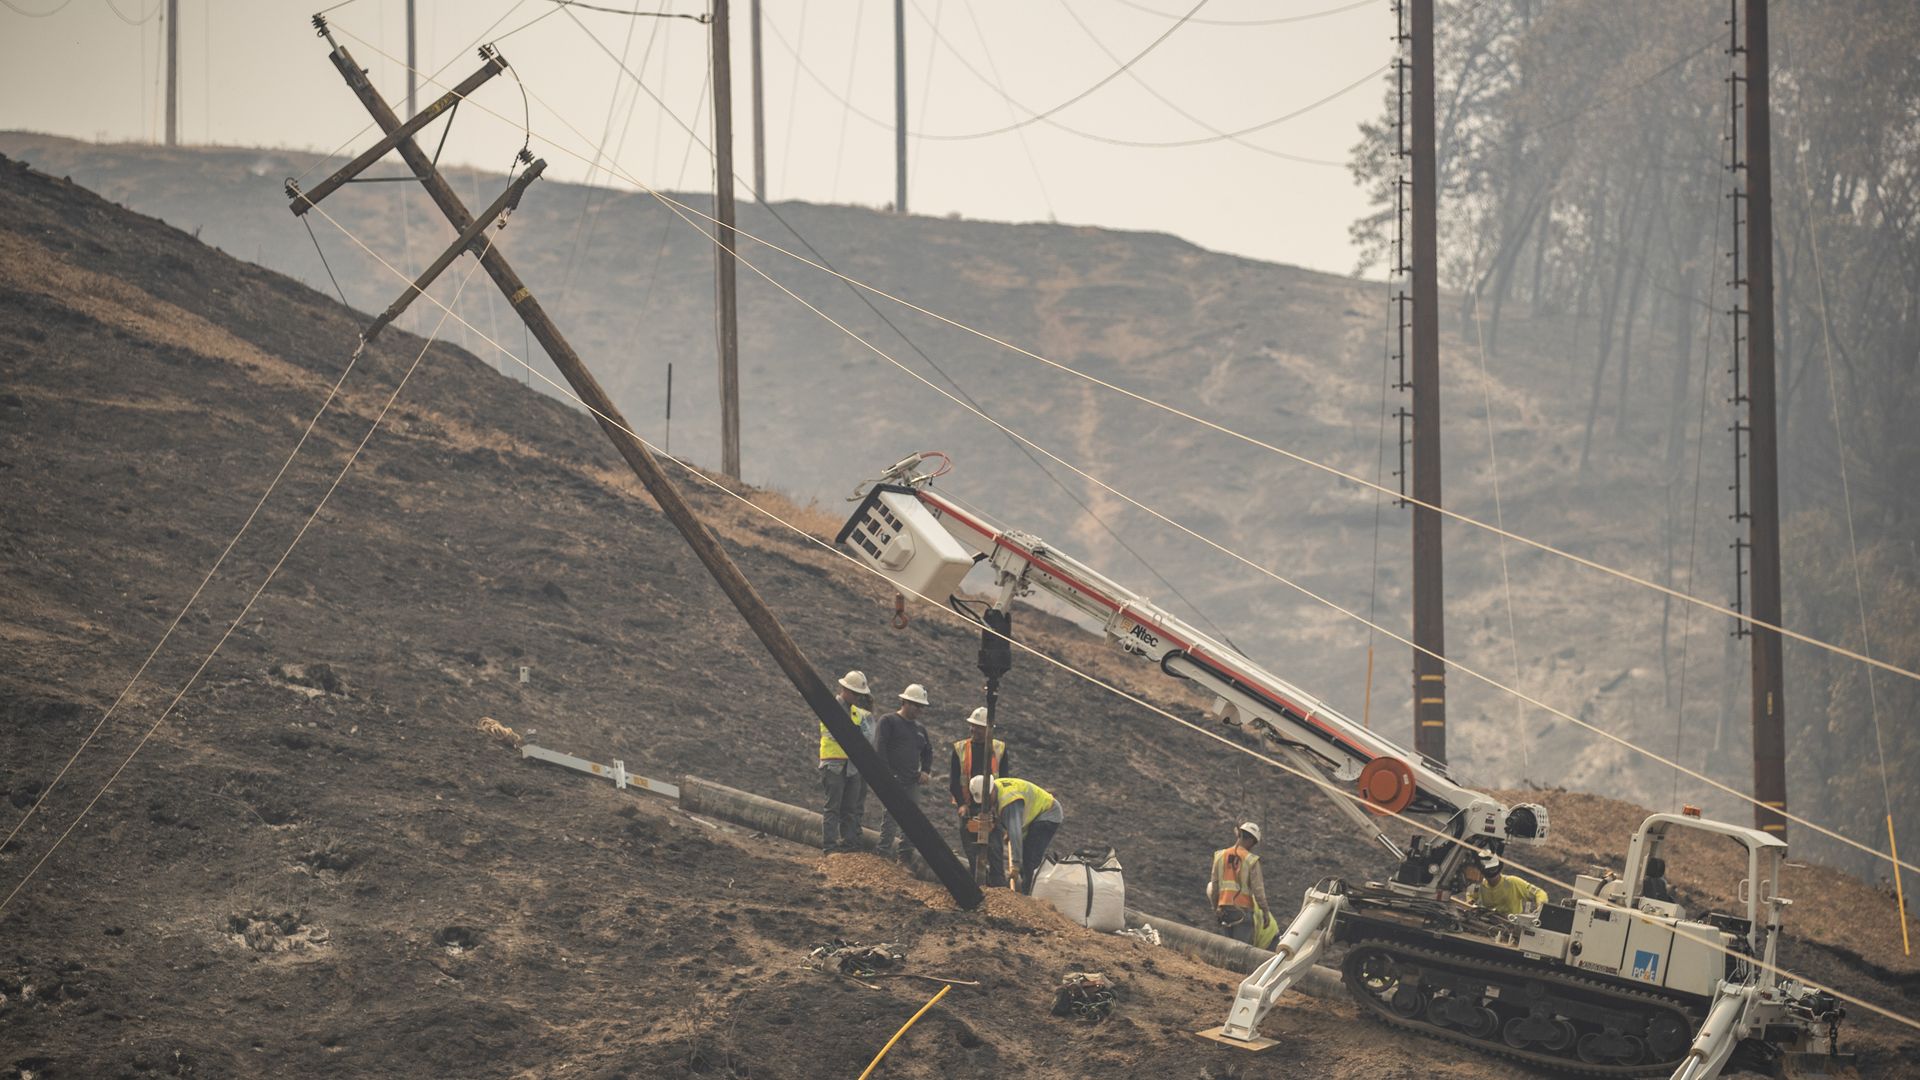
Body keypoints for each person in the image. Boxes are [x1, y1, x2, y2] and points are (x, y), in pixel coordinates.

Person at [949, 708, 1012, 884]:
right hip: (969, 806)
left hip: (991, 807)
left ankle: (999, 889)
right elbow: (954, 782)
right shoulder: (960, 748)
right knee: (972, 850)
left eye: (978, 727)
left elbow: (1004, 781)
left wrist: (995, 807)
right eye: (972, 726)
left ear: (988, 729)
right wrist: (962, 804)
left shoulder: (999, 749)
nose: (973, 730)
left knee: (994, 850)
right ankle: (977, 885)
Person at [971, 774, 1062, 895]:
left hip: (1048, 813)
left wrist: (1015, 864)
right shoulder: (996, 788)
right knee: (1028, 858)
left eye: (987, 799)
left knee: (1030, 860)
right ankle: (1028, 890)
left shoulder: (1009, 800)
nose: (987, 804)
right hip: (1036, 815)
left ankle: (1029, 897)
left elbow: (1016, 834)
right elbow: (1014, 822)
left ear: (991, 791)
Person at [875, 683, 935, 859]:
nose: (919, 710)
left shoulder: (920, 729)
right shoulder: (889, 721)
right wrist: (886, 774)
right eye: (917, 705)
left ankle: (905, 859)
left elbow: (928, 751)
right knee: (891, 818)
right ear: (905, 702)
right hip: (893, 779)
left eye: (922, 707)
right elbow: (880, 748)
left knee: (912, 819)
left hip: (911, 781)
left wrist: (925, 770)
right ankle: (883, 855)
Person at [817, 670, 874, 853]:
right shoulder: (829, 706)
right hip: (833, 764)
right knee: (833, 808)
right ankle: (830, 848)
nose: (858, 698)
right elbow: (838, 732)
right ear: (845, 689)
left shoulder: (858, 713)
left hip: (852, 767)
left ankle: (848, 846)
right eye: (856, 693)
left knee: (850, 808)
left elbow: (868, 735)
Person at [1207, 822, 1269, 944]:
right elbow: (1258, 891)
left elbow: (1214, 887)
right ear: (1252, 841)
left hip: (1224, 910)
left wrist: (1216, 908)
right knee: (1240, 952)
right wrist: (1265, 911)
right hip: (1243, 911)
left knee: (1225, 949)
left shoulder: (1220, 855)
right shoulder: (1251, 860)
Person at [1465, 854, 1548, 915]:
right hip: (1486, 924)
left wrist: (1540, 908)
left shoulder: (1513, 882)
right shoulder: (1479, 885)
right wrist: (1470, 902)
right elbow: (1470, 895)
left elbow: (1539, 893)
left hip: (1510, 926)